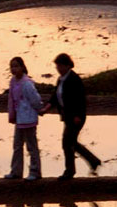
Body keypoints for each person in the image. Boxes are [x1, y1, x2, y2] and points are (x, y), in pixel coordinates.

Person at [42, 52, 101, 180]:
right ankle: (93, 161)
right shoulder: (61, 79)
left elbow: (80, 99)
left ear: (67, 65)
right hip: (68, 117)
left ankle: (70, 171)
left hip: (76, 117)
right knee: (71, 142)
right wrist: (46, 108)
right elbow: (55, 97)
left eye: (60, 65)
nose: (58, 68)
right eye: (57, 66)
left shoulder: (74, 79)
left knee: (67, 143)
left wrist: (78, 116)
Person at [5, 56, 43, 180]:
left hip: (29, 119)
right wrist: (12, 115)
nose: (14, 69)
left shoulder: (27, 84)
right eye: (12, 66)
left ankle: (35, 172)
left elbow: (35, 99)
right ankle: (16, 171)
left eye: (16, 66)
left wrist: (39, 109)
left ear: (22, 67)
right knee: (17, 145)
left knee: (31, 146)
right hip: (19, 119)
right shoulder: (13, 82)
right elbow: (12, 100)